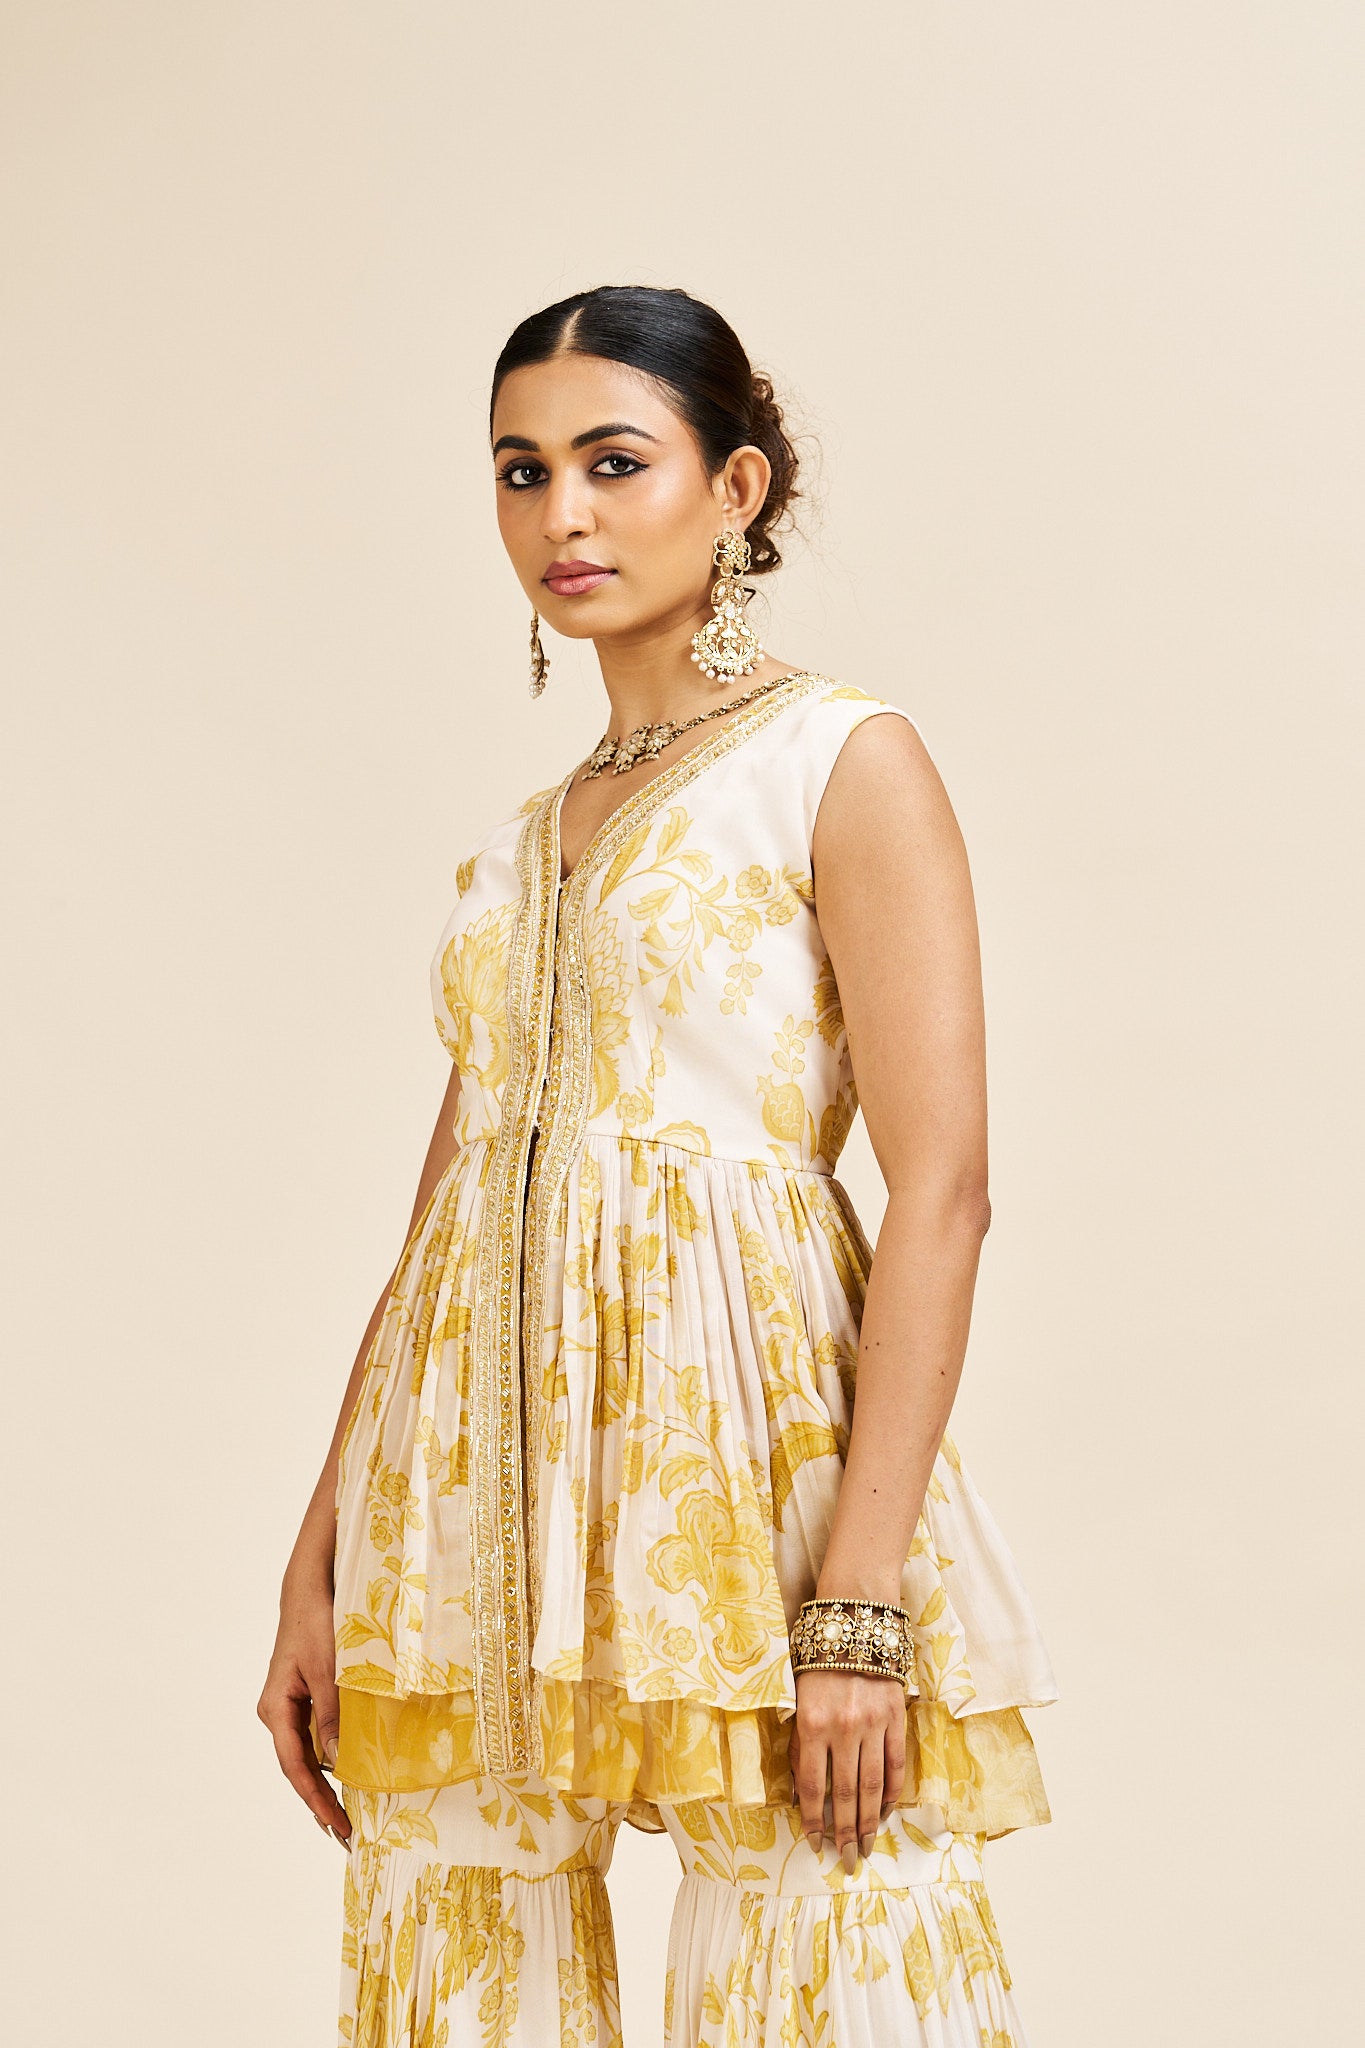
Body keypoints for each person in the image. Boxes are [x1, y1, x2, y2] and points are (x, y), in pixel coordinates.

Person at [257, 282, 1060, 2046]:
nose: (563, 514)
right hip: (463, 1500)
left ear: (735, 485)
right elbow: (443, 1220)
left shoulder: (839, 762)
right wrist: (318, 1558)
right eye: (520, 470)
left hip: (744, 1471)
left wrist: (857, 1613)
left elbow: (943, 1192)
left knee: (822, 1939)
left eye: (615, 462)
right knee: (459, 1971)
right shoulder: (518, 846)